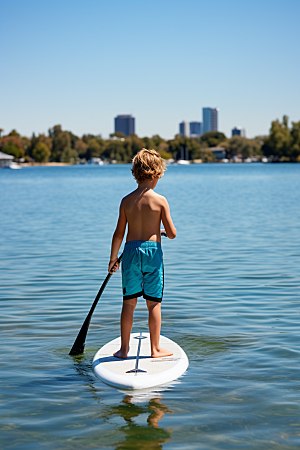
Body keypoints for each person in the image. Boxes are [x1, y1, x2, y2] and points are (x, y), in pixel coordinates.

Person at [108, 148, 177, 359]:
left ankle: (124, 349)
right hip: (152, 253)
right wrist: (161, 232)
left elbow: (119, 233)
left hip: (129, 252)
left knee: (129, 302)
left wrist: (113, 259)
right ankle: (155, 349)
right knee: (153, 302)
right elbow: (173, 233)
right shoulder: (160, 201)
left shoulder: (126, 201)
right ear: (156, 175)